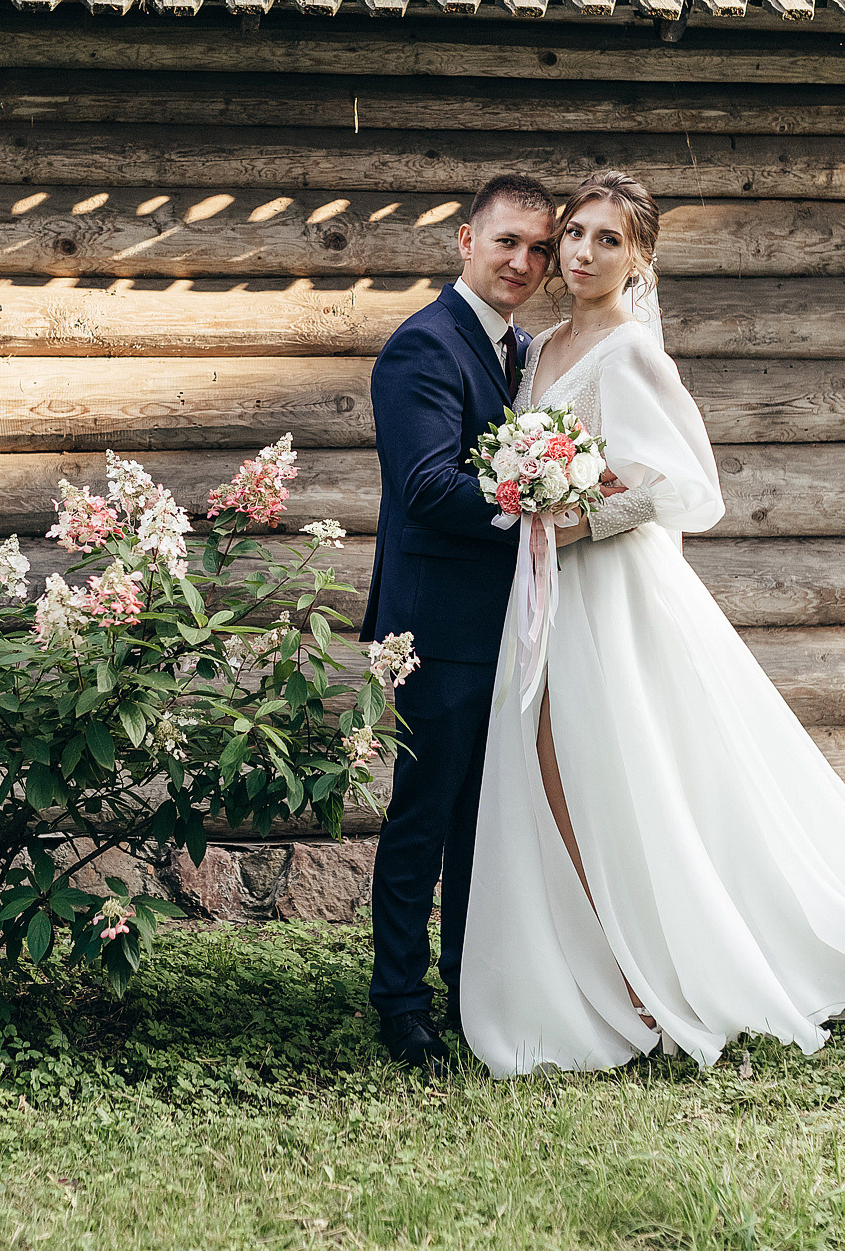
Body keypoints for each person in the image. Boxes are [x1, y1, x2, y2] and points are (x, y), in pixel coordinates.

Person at [458, 170, 845, 1075]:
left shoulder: (631, 353)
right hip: (551, 591)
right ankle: (604, 960)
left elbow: (687, 488)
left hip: (617, 593)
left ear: (640, 260)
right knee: (558, 776)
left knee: (634, 775)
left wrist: (576, 513)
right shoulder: (541, 344)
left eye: (608, 240)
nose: (584, 254)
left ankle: (664, 972)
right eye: (576, 236)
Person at [359, 173, 552, 1070]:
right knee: (424, 820)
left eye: (538, 249)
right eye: (507, 240)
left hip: (499, 624)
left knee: (485, 820)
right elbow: (428, 486)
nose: (524, 261)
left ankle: (468, 985)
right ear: (465, 239)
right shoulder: (423, 348)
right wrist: (544, 495)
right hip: (436, 627)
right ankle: (400, 1003)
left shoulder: (519, 351)